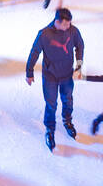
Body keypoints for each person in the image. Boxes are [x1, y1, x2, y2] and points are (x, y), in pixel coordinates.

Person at [26, 8, 84, 152]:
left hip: (67, 74)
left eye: (70, 23)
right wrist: (29, 72)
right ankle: (50, 130)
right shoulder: (44, 34)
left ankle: (67, 121)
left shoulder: (73, 31)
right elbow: (34, 52)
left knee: (68, 100)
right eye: (66, 24)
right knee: (51, 104)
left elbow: (80, 46)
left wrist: (79, 66)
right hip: (50, 76)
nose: (68, 27)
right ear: (57, 22)